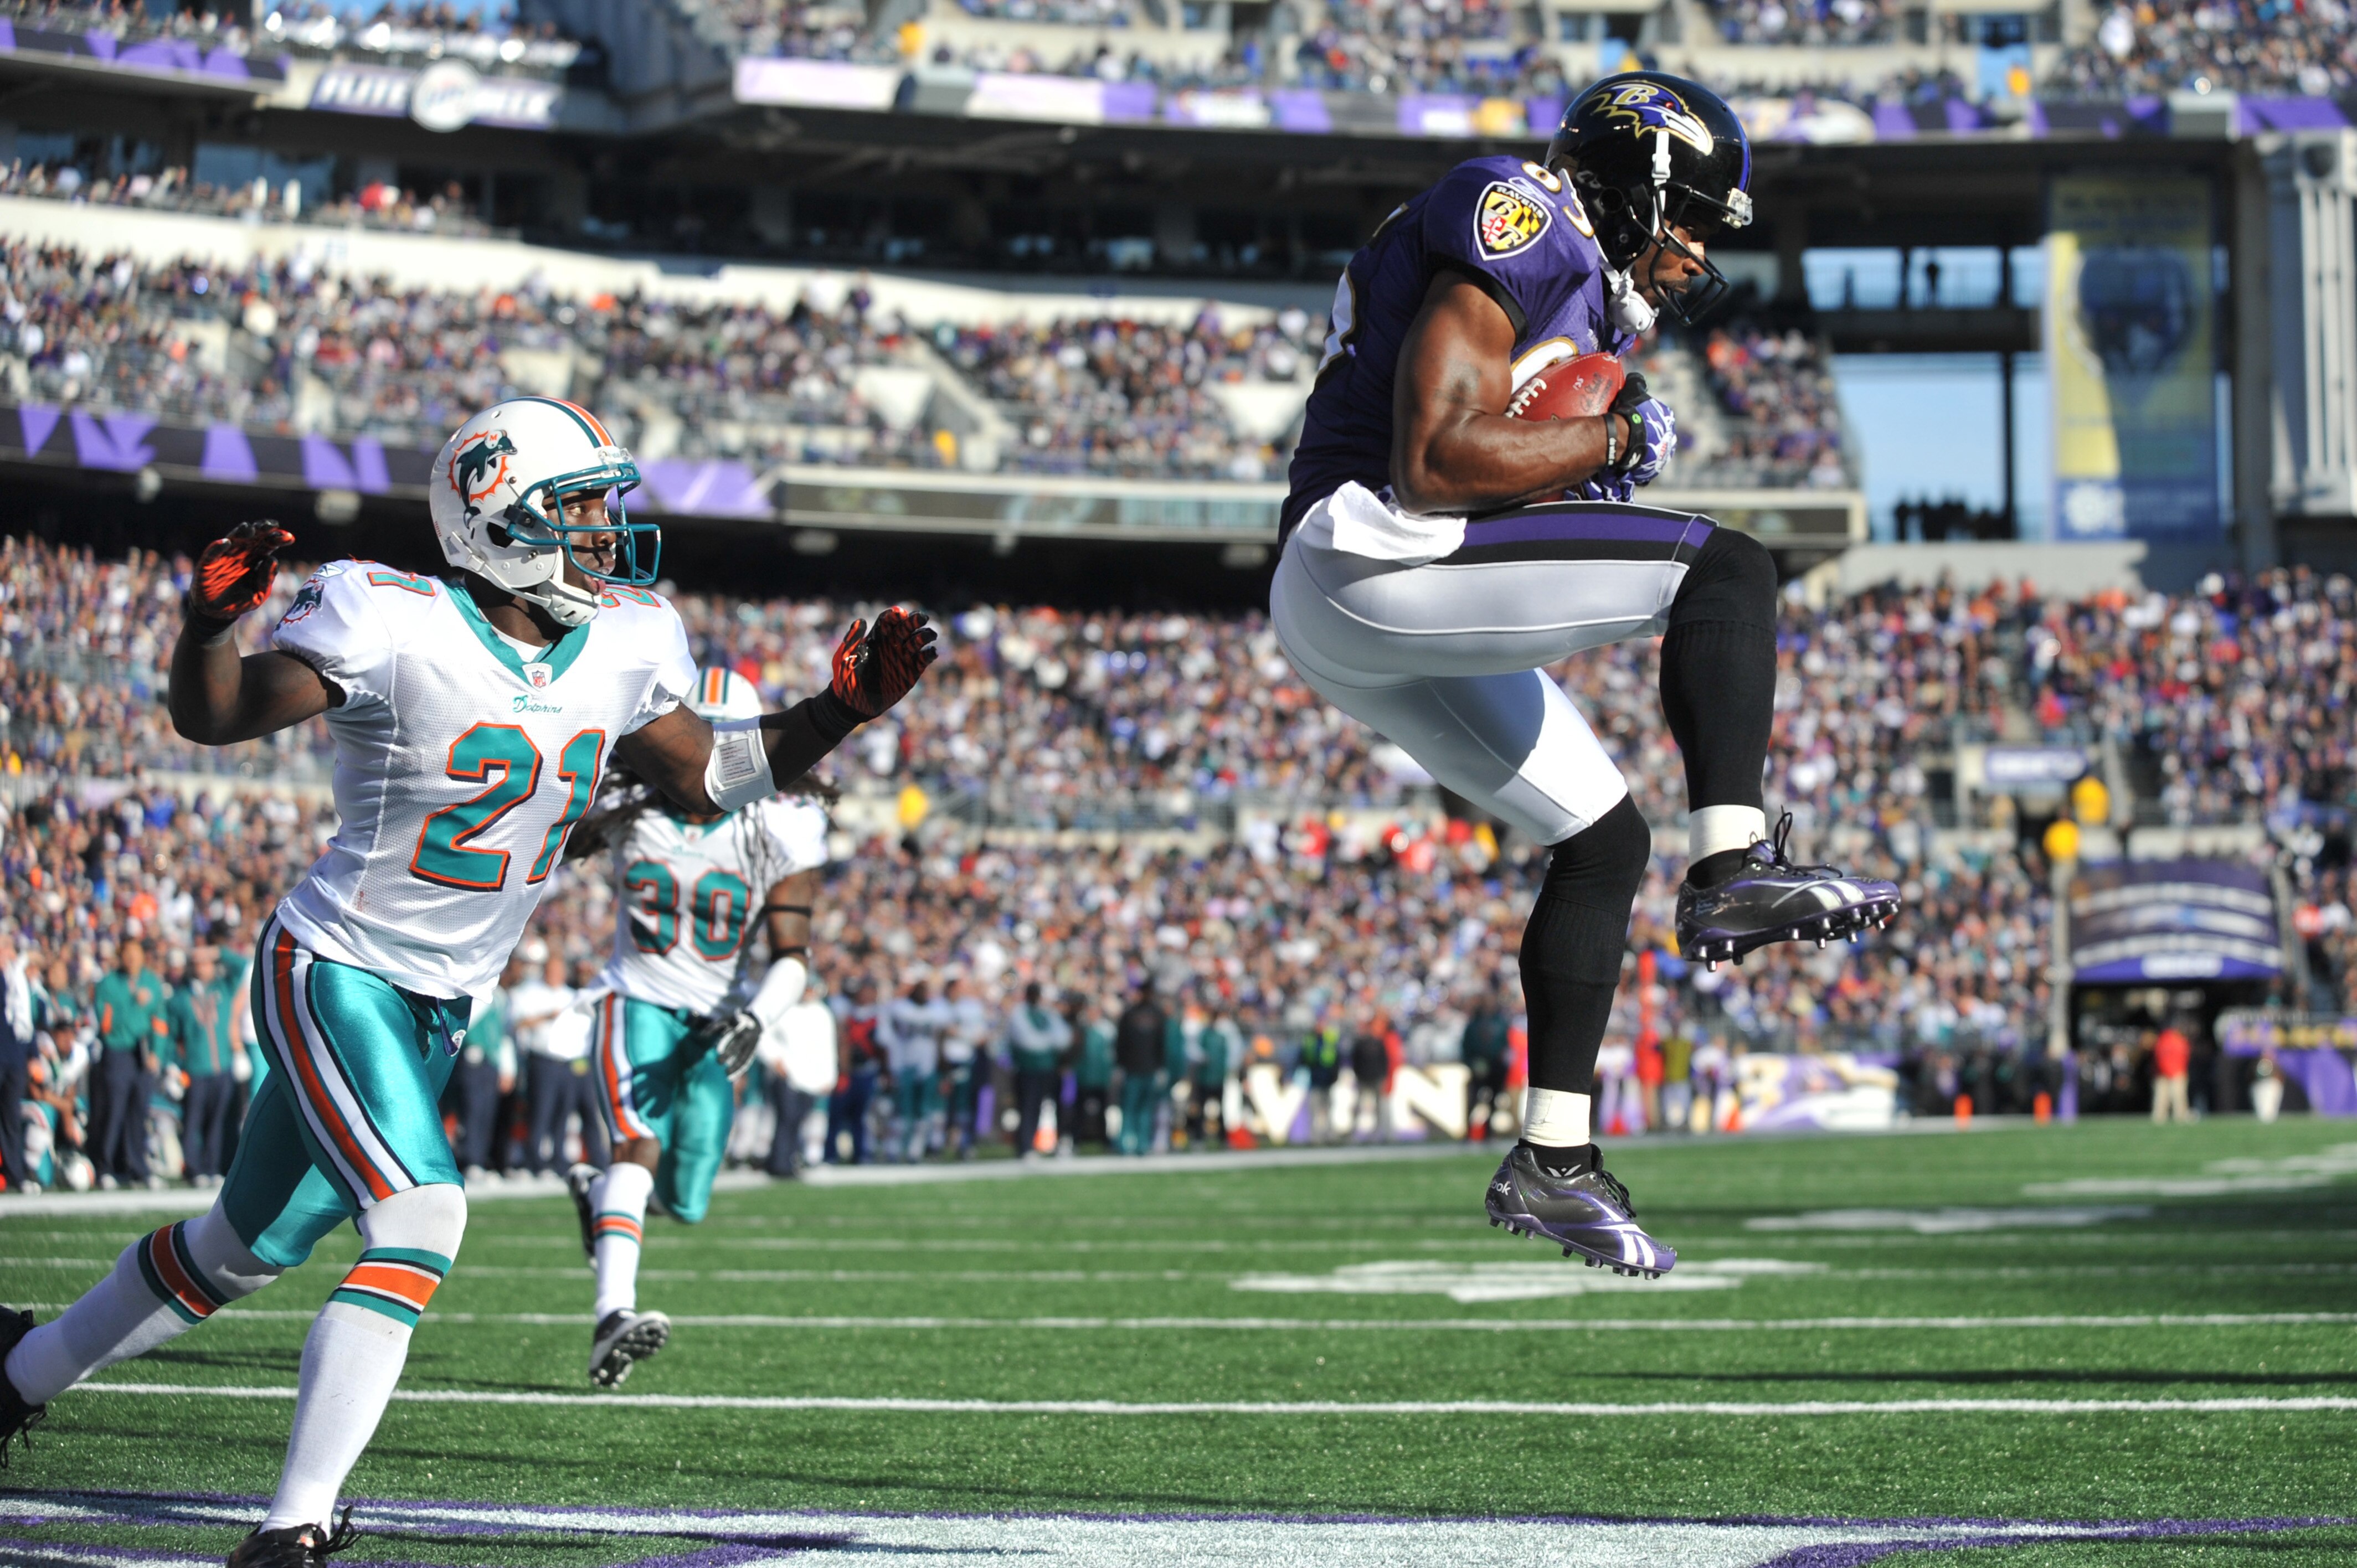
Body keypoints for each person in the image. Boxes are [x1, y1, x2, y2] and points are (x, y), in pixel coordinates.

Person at [0, 394, 934, 1565]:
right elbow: (220, 710)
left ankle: (14, 1376)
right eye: (580, 510)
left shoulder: (627, 641)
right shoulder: (393, 621)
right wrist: (208, 626)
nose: (606, 532)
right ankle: (292, 1528)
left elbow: (708, 779)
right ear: (501, 519)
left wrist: (839, 711)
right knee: (422, 1217)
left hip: (442, 1002)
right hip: (337, 965)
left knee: (240, 1249)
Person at [1270, 72, 1897, 1274]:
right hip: (1368, 548)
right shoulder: (1523, 216)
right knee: (1727, 569)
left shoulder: (1586, 296)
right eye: (1691, 216)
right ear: (1634, 185)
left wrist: (1583, 451)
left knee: (1604, 839)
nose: (1696, 249)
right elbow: (1436, 462)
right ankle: (1730, 867)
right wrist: (1607, 439)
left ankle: (1551, 1159)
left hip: (1372, 599)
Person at [560, 666, 831, 1388]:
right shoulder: (625, 807)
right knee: (636, 1144)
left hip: (716, 1024)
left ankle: (600, 1198)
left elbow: (794, 954)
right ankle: (612, 1315)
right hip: (635, 998)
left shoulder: (779, 827)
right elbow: (544, 836)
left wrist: (757, 1017)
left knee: (685, 1200)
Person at [90, 939, 169, 1188]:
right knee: (114, 1110)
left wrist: (157, 1052)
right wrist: (135, 1006)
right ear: (120, 956)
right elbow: (107, 1025)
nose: (133, 959)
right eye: (128, 954)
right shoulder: (108, 984)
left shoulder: (151, 982)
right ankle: (105, 1167)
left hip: (143, 1053)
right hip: (118, 1051)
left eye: (137, 953)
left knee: (139, 1111)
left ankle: (138, 1167)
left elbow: (160, 1021)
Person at [167, 946, 243, 1187]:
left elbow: (243, 967)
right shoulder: (180, 998)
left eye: (206, 963)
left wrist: (217, 952)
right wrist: (175, 1066)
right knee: (193, 1121)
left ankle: (214, 1166)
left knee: (219, 1122)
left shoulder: (223, 988)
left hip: (223, 1066)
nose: (202, 968)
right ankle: (194, 1168)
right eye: (198, 964)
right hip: (195, 1068)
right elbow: (173, 1037)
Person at [508, 951, 584, 1177]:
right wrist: (545, 1017)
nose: (555, 975)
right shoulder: (531, 993)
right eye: (552, 971)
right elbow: (518, 1023)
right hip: (543, 1061)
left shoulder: (572, 996)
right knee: (541, 1111)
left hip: (569, 1062)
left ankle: (559, 1159)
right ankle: (534, 1160)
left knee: (563, 1113)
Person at [450, 958, 518, 1180]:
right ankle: (470, 1160)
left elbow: (504, 1035)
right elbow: (465, 1023)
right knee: (472, 1111)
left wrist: (508, 1068)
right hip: (474, 1060)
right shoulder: (475, 993)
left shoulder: (501, 997)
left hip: (492, 1061)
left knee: (486, 1113)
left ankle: (480, 1159)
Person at [880, 977, 950, 1162]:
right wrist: (889, 1065)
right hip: (904, 1064)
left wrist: (942, 1062)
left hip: (928, 1065)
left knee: (924, 1109)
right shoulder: (899, 1009)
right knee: (901, 1109)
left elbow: (941, 1037)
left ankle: (915, 1149)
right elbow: (888, 1038)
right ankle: (894, 1149)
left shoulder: (937, 1010)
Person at [1006, 981, 1071, 1159]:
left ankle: (1061, 1143)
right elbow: (1027, 1041)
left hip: (1050, 1069)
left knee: (1058, 1106)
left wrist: (1046, 1041)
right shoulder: (1019, 1013)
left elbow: (1064, 1039)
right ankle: (1026, 1147)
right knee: (1029, 1108)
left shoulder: (1047, 1013)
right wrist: (1049, 1041)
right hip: (1028, 1069)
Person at [826, 979, 883, 1164]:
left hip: (867, 1070)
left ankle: (861, 1152)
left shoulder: (880, 1014)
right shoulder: (845, 1012)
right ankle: (830, 1153)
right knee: (836, 1115)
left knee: (862, 1116)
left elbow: (883, 1046)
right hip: (846, 1071)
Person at [941, 974, 994, 1159]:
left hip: (965, 1060)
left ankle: (965, 1143)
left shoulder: (972, 1008)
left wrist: (962, 1034)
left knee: (964, 1103)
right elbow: (945, 1030)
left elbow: (981, 1036)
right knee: (942, 1104)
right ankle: (938, 1143)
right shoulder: (939, 1006)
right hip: (943, 1062)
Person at [0, 932, 36, 1193]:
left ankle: (15, 1173)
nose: (10, 953)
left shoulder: (18, 980)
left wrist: (32, 1055)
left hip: (14, 1057)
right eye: (6, 948)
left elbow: (25, 1019)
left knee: (11, 1116)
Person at [1113, 984, 1166, 1157]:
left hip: (1146, 1069)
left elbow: (1161, 1044)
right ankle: (1128, 1143)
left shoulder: (1155, 1015)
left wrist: (1161, 1067)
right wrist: (1120, 1066)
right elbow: (1121, 1043)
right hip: (1134, 1069)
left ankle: (1140, 1144)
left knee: (1142, 1109)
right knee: (1133, 1108)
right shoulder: (1133, 1014)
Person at [1460, 991, 1511, 1139]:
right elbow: (1466, 1047)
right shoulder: (1473, 1024)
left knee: (1493, 1100)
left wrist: (1502, 1064)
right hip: (1478, 1066)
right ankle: (1469, 1132)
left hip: (1495, 1067)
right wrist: (1472, 1064)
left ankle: (1489, 1131)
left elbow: (1505, 1046)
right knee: (1473, 1099)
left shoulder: (1501, 1023)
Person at [1073, 997, 1115, 1150]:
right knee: (1080, 1110)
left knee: (1102, 1110)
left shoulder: (1107, 1030)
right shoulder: (1082, 1029)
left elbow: (1110, 1055)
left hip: (1100, 1077)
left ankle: (1104, 1140)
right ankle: (1077, 1139)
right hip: (1084, 1076)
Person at [2152, 1022, 2192, 1124]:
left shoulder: (2182, 1041)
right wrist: (2165, 1070)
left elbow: (2184, 1058)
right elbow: (2160, 1056)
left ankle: (2181, 1116)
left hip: (2178, 1072)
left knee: (2179, 1097)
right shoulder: (2166, 1039)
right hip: (2164, 1073)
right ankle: (2159, 1118)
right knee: (2162, 1098)